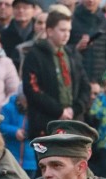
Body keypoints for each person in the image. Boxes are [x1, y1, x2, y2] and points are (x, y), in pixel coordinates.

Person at [22, 10, 91, 139]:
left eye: (69, 30)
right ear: (49, 31)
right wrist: (59, 111)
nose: (67, 34)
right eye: (62, 30)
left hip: (74, 122)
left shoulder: (72, 54)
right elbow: (32, 89)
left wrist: (74, 109)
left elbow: (85, 86)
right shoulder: (35, 55)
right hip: (46, 124)